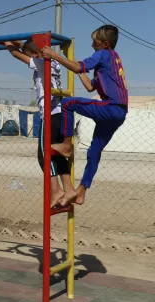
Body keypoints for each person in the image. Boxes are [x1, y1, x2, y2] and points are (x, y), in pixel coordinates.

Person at [41, 24, 128, 206]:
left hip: (110, 107)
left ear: (104, 43)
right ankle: (81, 192)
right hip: (119, 112)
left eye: (94, 42)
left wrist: (54, 55)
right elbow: (89, 85)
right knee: (94, 151)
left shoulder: (103, 54)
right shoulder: (112, 60)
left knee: (68, 103)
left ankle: (66, 145)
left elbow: (80, 67)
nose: (91, 46)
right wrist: (69, 59)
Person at [4, 40, 76, 209]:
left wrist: (8, 44)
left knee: (44, 155)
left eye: (30, 55)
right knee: (57, 154)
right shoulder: (54, 61)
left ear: (36, 54)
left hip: (50, 115)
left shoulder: (41, 62)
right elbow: (28, 47)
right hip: (61, 113)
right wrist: (21, 44)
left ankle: (56, 190)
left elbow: (16, 54)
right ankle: (69, 189)